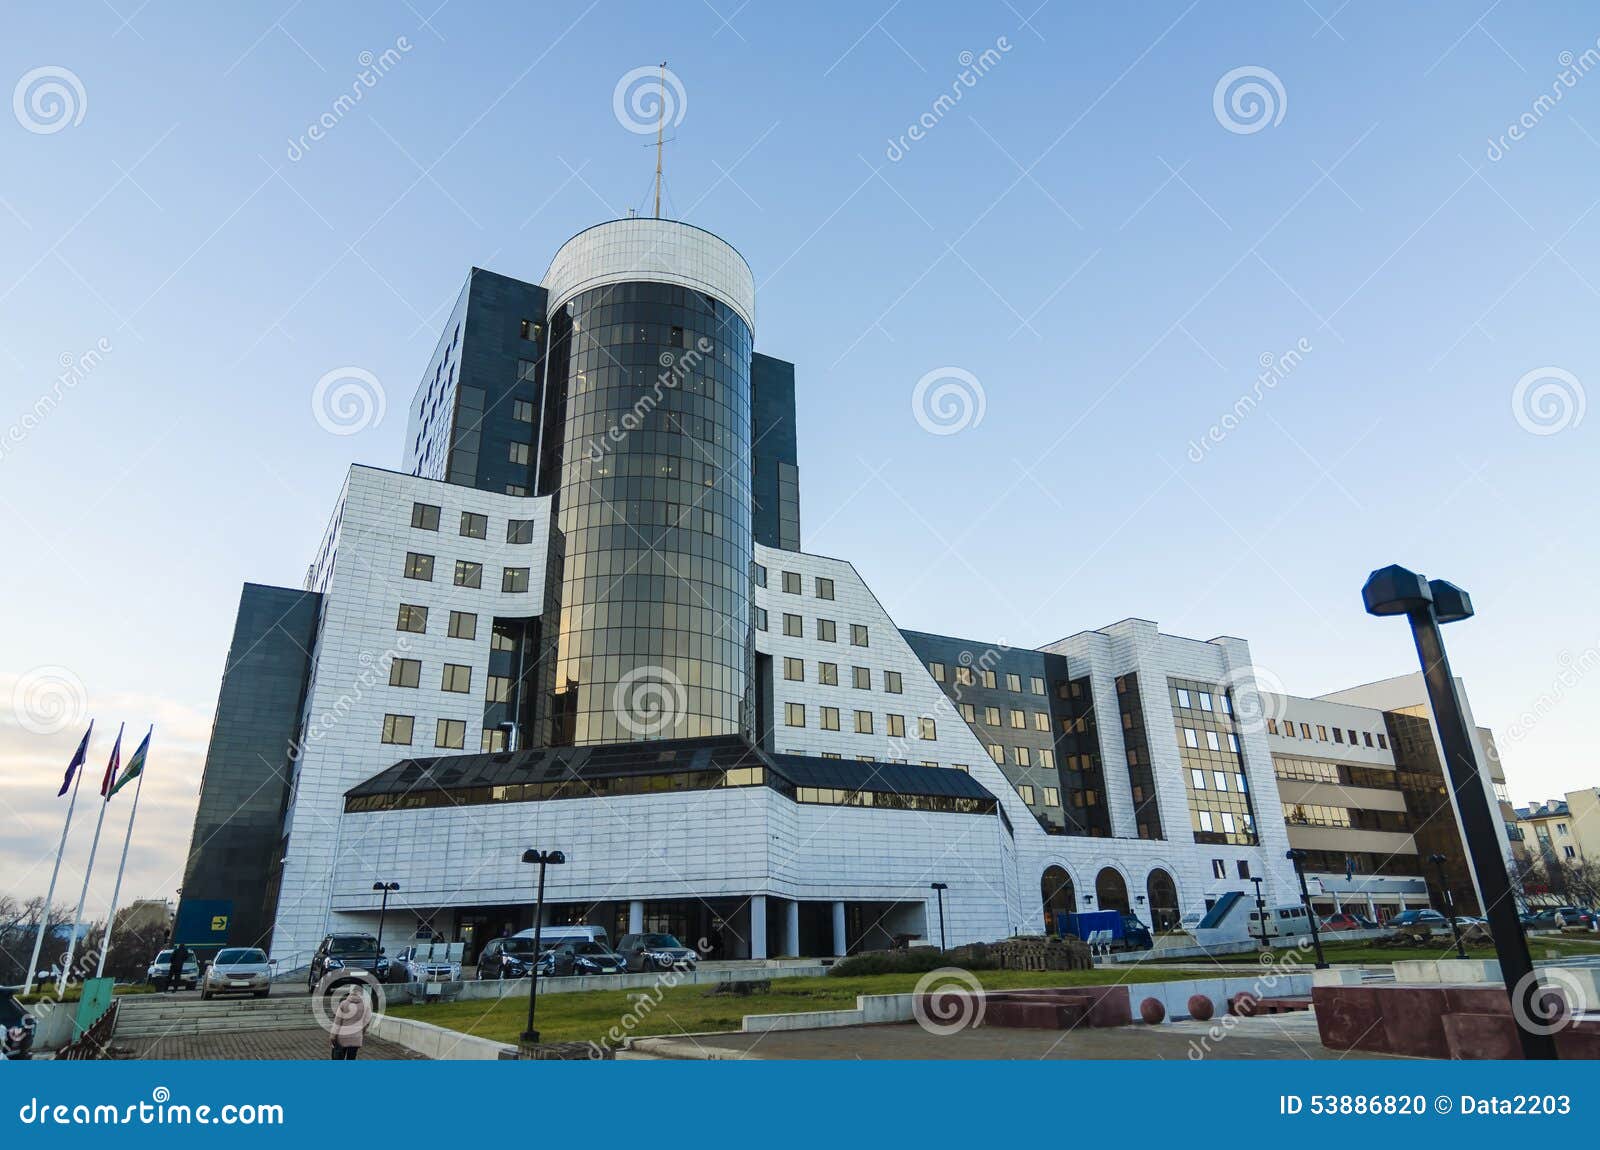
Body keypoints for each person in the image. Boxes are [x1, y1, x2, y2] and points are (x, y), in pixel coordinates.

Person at [330, 986, 371, 1060]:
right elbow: (367, 1022)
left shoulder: (343, 1004)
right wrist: (361, 1033)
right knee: (351, 1058)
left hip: (342, 1037)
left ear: (351, 992)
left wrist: (333, 1036)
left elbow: (337, 1022)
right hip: (356, 1037)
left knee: (339, 1058)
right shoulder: (366, 1005)